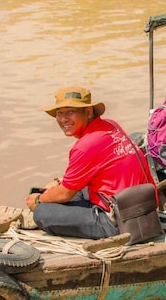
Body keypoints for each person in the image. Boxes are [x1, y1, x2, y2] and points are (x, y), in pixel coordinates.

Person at [17, 86, 156, 240]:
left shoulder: (85, 146)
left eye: (70, 112)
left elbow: (64, 194)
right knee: (65, 190)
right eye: (60, 113)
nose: (64, 119)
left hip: (119, 222)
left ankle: (37, 207)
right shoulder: (110, 125)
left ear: (88, 112)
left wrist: (38, 200)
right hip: (142, 205)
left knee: (42, 212)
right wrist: (58, 182)